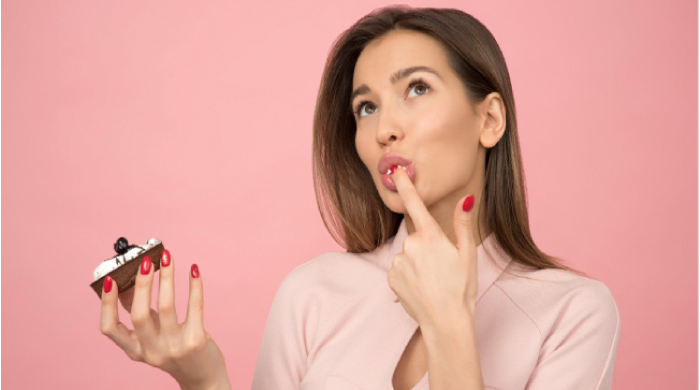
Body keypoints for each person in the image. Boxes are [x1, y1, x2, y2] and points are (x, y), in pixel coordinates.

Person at [99, 5, 621, 390]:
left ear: (489, 120)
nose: (383, 130)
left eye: (416, 88)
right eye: (365, 108)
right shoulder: (314, 293)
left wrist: (449, 326)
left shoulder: (572, 313)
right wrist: (204, 378)